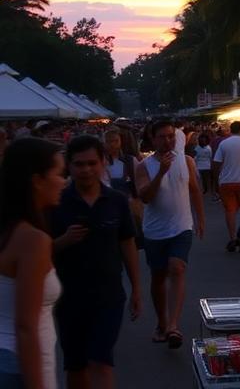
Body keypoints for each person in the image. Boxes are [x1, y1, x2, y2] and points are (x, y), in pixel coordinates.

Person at [51, 135, 141, 389]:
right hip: (68, 297)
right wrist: (63, 241)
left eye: (92, 163)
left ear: (103, 163)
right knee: (76, 366)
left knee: (101, 361)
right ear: (68, 165)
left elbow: (127, 243)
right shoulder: (56, 202)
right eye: (79, 164)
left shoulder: (116, 201)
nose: (86, 170)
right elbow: (37, 251)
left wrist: (136, 288)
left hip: (109, 296)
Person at [0, 138, 65, 388]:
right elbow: (26, 326)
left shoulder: (10, 230)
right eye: (59, 174)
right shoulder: (32, 240)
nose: (64, 181)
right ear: (37, 180)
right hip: (19, 365)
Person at [134, 119, 204, 349]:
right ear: (152, 139)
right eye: (162, 136)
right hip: (155, 231)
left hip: (181, 226)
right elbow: (145, 197)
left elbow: (194, 190)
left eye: (171, 136)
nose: (168, 140)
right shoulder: (144, 166)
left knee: (177, 267)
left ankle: (173, 325)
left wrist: (200, 218)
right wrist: (161, 173)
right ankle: (162, 322)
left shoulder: (187, 161)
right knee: (158, 277)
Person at [212, 121, 240, 252]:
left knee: (230, 211)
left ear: (230, 130)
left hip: (226, 182)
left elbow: (216, 163)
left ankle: (232, 238)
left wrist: (216, 180)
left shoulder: (224, 143)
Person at [103, 128, 138, 199]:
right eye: (108, 141)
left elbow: (139, 182)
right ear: (104, 143)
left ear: (121, 142)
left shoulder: (131, 160)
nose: (112, 144)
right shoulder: (99, 162)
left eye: (116, 141)